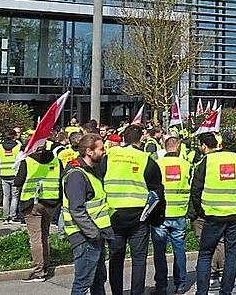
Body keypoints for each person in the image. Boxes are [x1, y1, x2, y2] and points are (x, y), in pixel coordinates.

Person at [97, 124, 165, 295]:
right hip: (139, 216)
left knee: (116, 257)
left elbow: (98, 180)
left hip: (113, 214)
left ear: (123, 138)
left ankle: (117, 292)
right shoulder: (145, 159)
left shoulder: (109, 156)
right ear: (141, 138)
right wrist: (156, 217)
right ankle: (137, 292)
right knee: (139, 258)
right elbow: (157, 191)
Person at [192, 130, 236, 295]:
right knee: (231, 255)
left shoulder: (208, 160)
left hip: (212, 215)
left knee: (205, 254)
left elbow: (196, 189)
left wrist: (202, 210)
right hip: (235, 216)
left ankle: (202, 292)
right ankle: (226, 291)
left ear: (221, 143)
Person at [65, 133, 114, 295]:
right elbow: (76, 210)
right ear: (89, 151)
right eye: (101, 149)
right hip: (85, 237)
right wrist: (94, 234)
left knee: (98, 280)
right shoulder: (77, 175)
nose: (104, 151)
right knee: (83, 282)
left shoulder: (90, 171)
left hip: (94, 235)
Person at [14, 139, 62, 282]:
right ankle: (46, 265)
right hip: (51, 203)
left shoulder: (28, 161)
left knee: (35, 238)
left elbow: (17, 182)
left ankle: (38, 270)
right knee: (44, 235)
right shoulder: (56, 160)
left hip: (32, 203)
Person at [152, 137, 191, 294]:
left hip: (160, 214)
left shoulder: (157, 165)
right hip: (179, 213)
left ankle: (161, 285)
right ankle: (181, 284)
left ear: (164, 147)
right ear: (179, 147)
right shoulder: (186, 165)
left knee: (159, 251)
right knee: (179, 249)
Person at [190, 134, 226, 287]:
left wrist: (196, 210)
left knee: (205, 243)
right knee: (221, 242)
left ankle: (211, 275)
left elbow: (196, 189)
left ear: (204, 146)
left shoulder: (204, 163)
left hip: (205, 209)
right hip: (224, 208)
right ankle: (221, 271)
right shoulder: (226, 160)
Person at [0, 129, 22, 224]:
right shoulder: (18, 146)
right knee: (15, 196)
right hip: (14, 173)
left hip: (3, 173)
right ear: (14, 136)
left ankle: (5, 217)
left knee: (6, 197)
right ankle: (13, 216)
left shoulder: (0, 147)